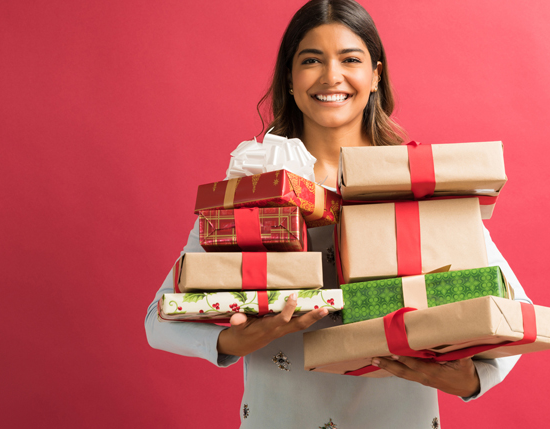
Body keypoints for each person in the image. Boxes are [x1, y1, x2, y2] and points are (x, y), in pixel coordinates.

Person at [144, 0, 531, 427]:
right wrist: (233, 340)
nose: (332, 77)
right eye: (311, 60)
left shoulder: (418, 185)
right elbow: (158, 318)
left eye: (350, 59)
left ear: (375, 75)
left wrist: (472, 379)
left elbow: (515, 306)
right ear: (289, 78)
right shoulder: (256, 184)